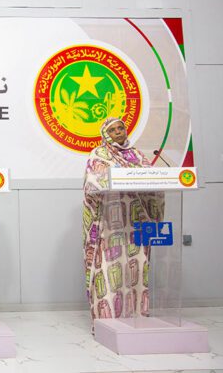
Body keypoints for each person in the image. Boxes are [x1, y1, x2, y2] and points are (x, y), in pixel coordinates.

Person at [82, 117, 164, 329]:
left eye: (121, 128)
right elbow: (93, 183)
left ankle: (137, 317)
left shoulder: (137, 155)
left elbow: (153, 178)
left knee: (137, 269)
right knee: (110, 272)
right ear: (105, 134)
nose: (119, 132)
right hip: (111, 225)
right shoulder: (99, 154)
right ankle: (107, 322)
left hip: (137, 222)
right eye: (113, 130)